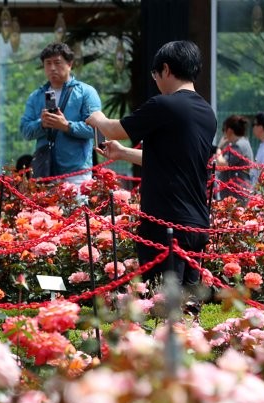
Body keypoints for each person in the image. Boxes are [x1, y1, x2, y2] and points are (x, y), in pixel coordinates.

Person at [87, 40, 217, 289]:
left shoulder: (164, 104)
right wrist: (123, 153)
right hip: (195, 221)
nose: (156, 82)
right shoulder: (206, 112)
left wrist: (98, 117)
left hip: (165, 223)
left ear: (166, 69)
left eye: (155, 75)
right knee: (189, 309)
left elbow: (115, 128)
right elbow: (172, 158)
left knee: (162, 307)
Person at [20, 42, 102, 184]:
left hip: (77, 172)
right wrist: (42, 124)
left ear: (70, 64)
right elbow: (25, 131)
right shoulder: (36, 96)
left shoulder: (86, 92)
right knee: (44, 207)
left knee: (76, 207)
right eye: (48, 63)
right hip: (45, 170)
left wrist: (67, 126)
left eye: (58, 63)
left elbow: (97, 130)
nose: (52, 68)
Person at [213, 115, 253, 200]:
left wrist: (218, 148)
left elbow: (222, 164)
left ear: (229, 131)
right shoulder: (241, 143)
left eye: (224, 130)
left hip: (237, 194)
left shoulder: (239, 145)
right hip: (235, 193)